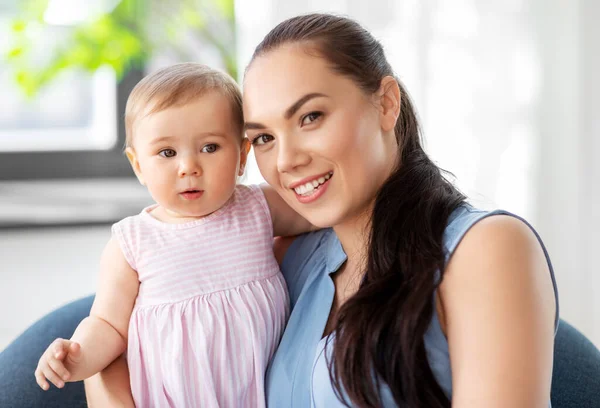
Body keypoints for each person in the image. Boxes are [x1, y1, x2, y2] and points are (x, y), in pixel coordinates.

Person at [0, 14, 559, 408]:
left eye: (310, 117)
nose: (286, 159)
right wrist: (91, 358)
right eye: (263, 137)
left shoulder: (484, 248)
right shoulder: (293, 256)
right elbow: (130, 329)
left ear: (386, 103)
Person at [33, 62, 313, 407]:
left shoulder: (257, 208)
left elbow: (322, 212)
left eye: (210, 147)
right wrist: (78, 355)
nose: (188, 167)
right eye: (167, 153)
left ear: (242, 156)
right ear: (138, 166)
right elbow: (108, 324)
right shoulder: (132, 242)